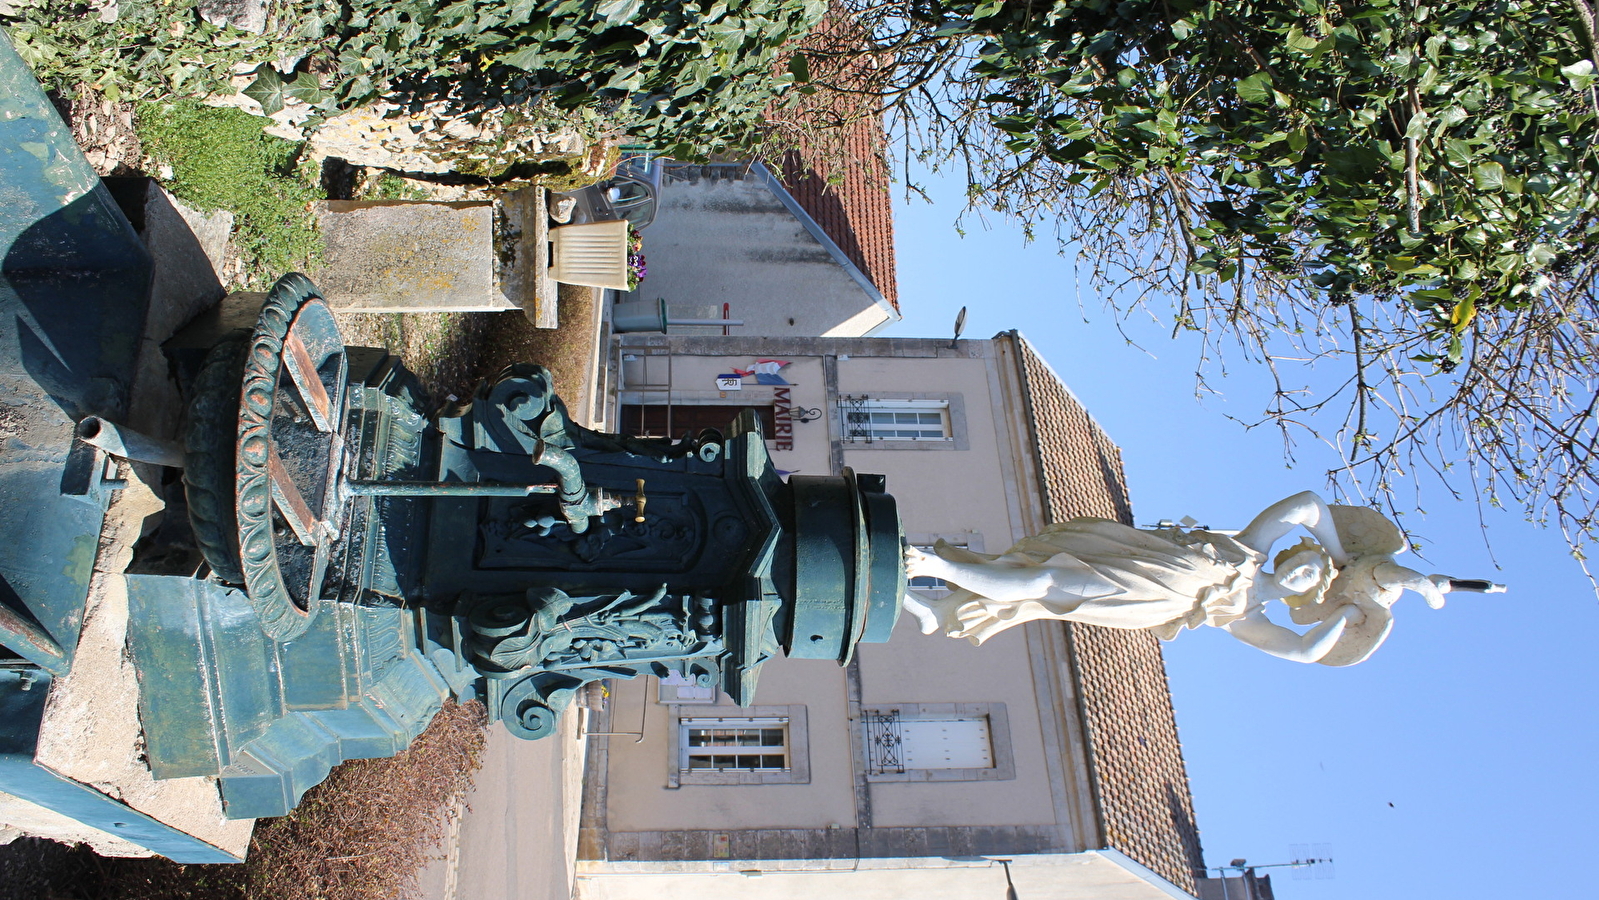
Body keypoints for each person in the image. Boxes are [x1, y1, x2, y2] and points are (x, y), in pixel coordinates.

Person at [902, 491, 1494, 665]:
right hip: (1138, 556)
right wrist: (1340, 555)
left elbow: (1304, 651)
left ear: (1304, 595)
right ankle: (932, 603)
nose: (1304, 570)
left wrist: (1345, 612)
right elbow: (1307, 505)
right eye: (1307, 561)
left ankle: (935, 569)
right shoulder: (1249, 550)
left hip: (1143, 599)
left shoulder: (1247, 617)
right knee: (1028, 571)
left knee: (1047, 587)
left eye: (1311, 578)